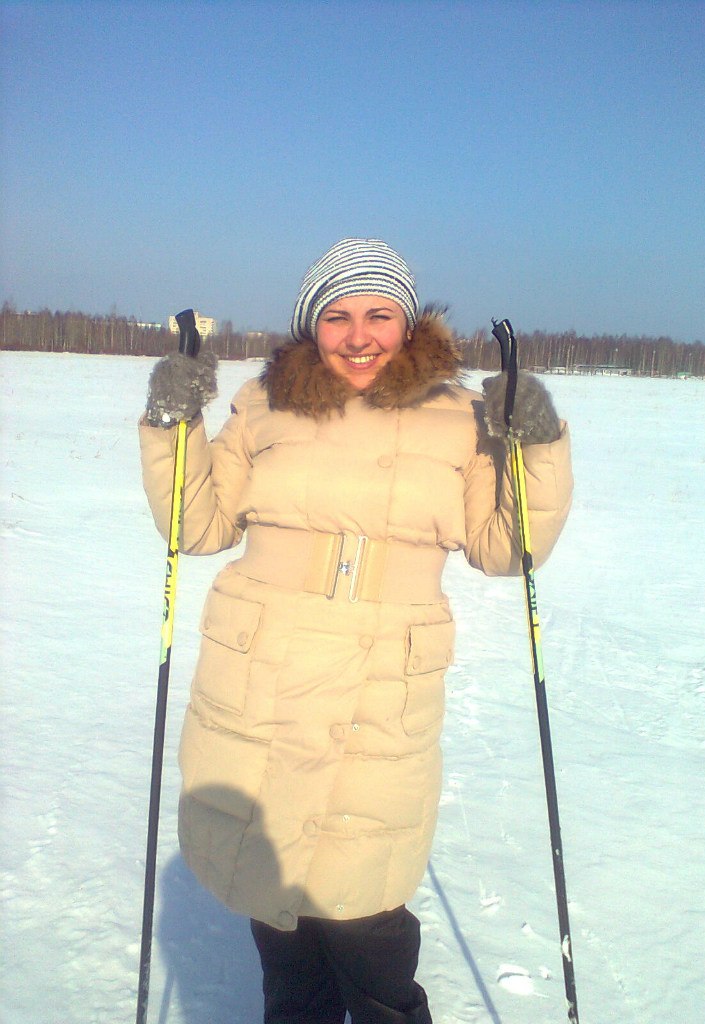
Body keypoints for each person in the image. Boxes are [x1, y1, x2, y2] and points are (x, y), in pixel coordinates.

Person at [139, 238, 573, 1023]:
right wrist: (173, 422)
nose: (359, 335)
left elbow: (508, 547)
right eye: (337, 316)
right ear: (311, 324)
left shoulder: (460, 418)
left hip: (381, 693)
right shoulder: (264, 405)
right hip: (261, 683)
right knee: (278, 919)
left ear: (409, 323)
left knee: (369, 927)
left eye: (379, 314)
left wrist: (535, 443)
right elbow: (195, 524)